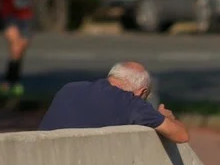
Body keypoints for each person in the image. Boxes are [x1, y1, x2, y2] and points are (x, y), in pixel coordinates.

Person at [39, 61, 190, 144]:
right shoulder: (132, 104)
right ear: (141, 92)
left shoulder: (69, 88)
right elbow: (181, 136)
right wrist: (166, 117)